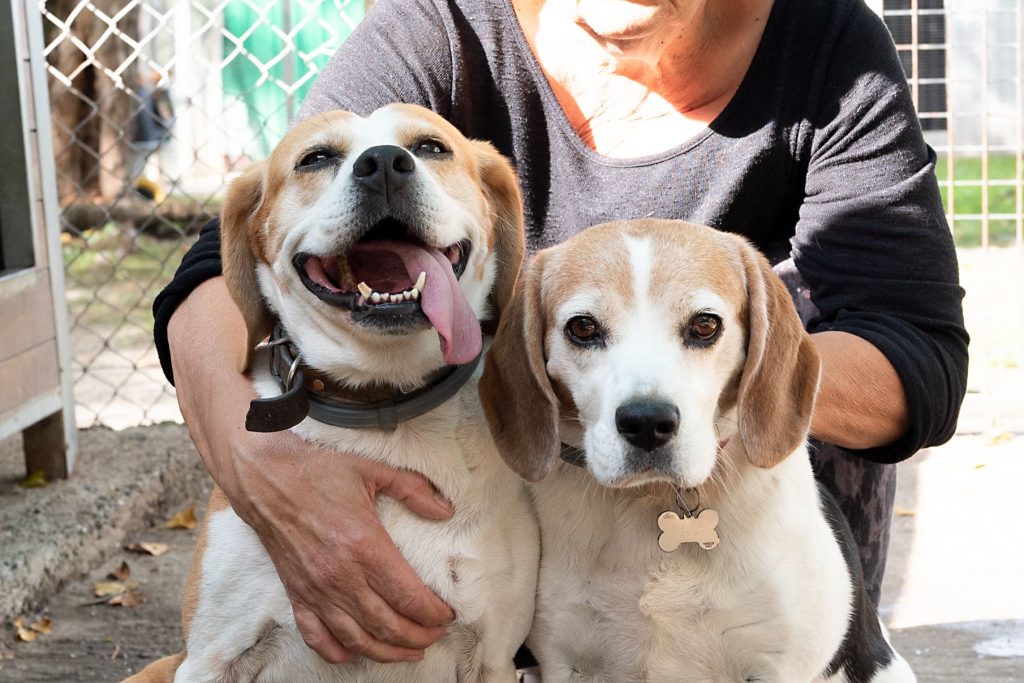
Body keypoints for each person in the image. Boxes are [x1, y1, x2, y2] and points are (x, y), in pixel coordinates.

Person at [153, 0, 968, 668]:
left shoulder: (827, 43)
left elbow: (918, 351)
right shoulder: (443, 25)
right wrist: (260, 464)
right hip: (534, 438)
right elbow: (227, 263)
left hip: (758, 461)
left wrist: (716, 392)